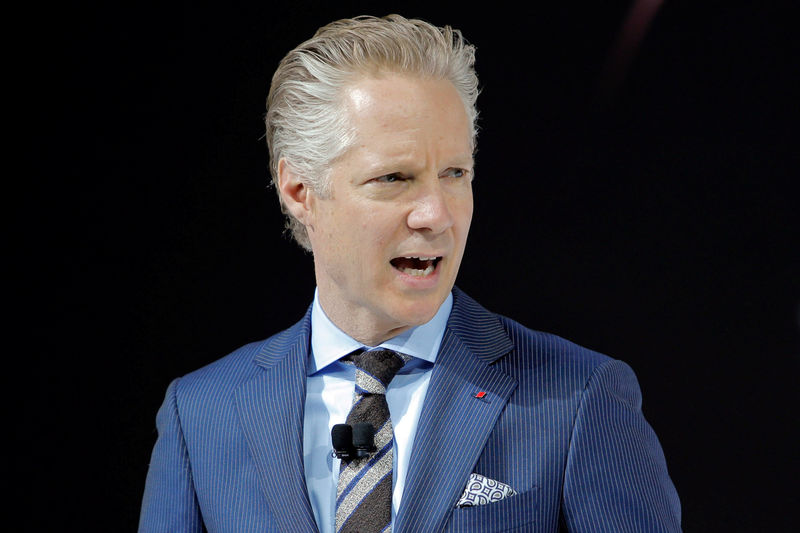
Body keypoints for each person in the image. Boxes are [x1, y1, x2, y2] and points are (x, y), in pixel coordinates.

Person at [139, 14, 681, 533]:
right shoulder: (201, 414)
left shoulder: (580, 398)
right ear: (300, 192)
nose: (436, 215)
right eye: (394, 177)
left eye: (454, 173)